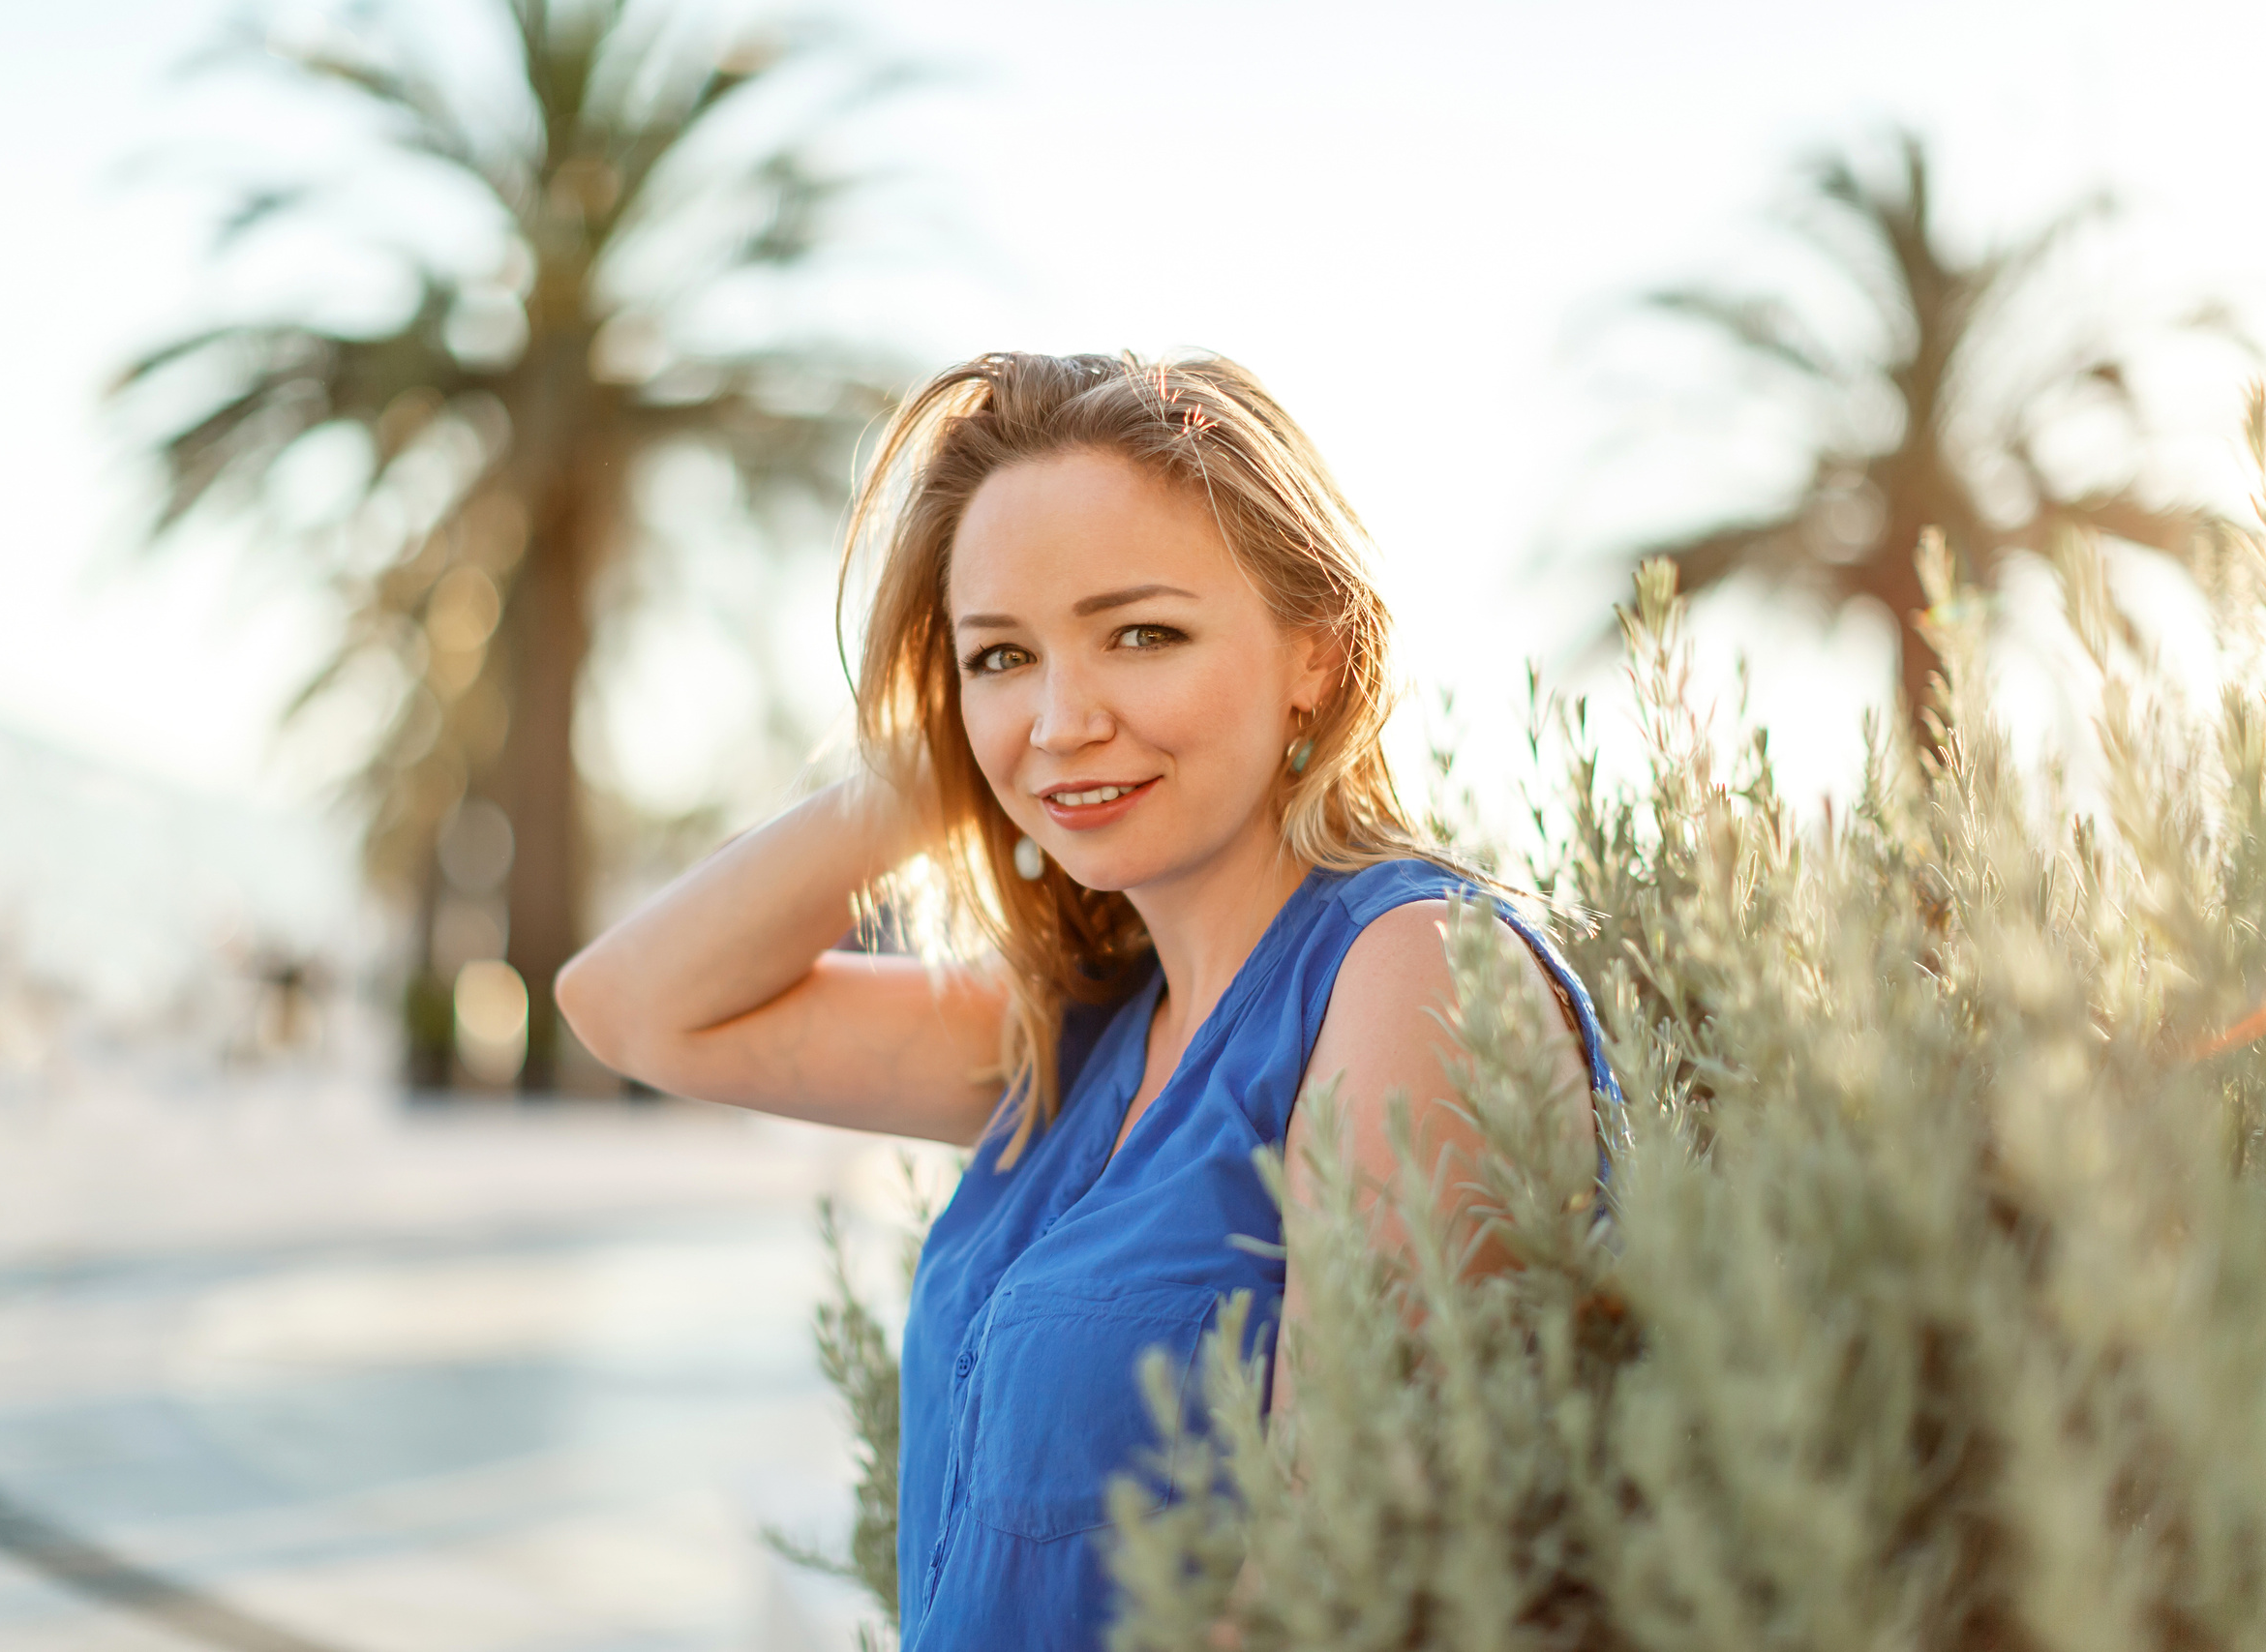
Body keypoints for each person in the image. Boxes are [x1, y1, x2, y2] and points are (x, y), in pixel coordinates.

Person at [555, 350, 1617, 1648]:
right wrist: (948, 755)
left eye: (1142, 634)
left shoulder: (1412, 969)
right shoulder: (1079, 1031)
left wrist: (1009, 698)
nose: (1063, 718)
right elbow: (633, 1006)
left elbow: (1338, 1592)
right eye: (1003, 655)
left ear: (1316, 658)